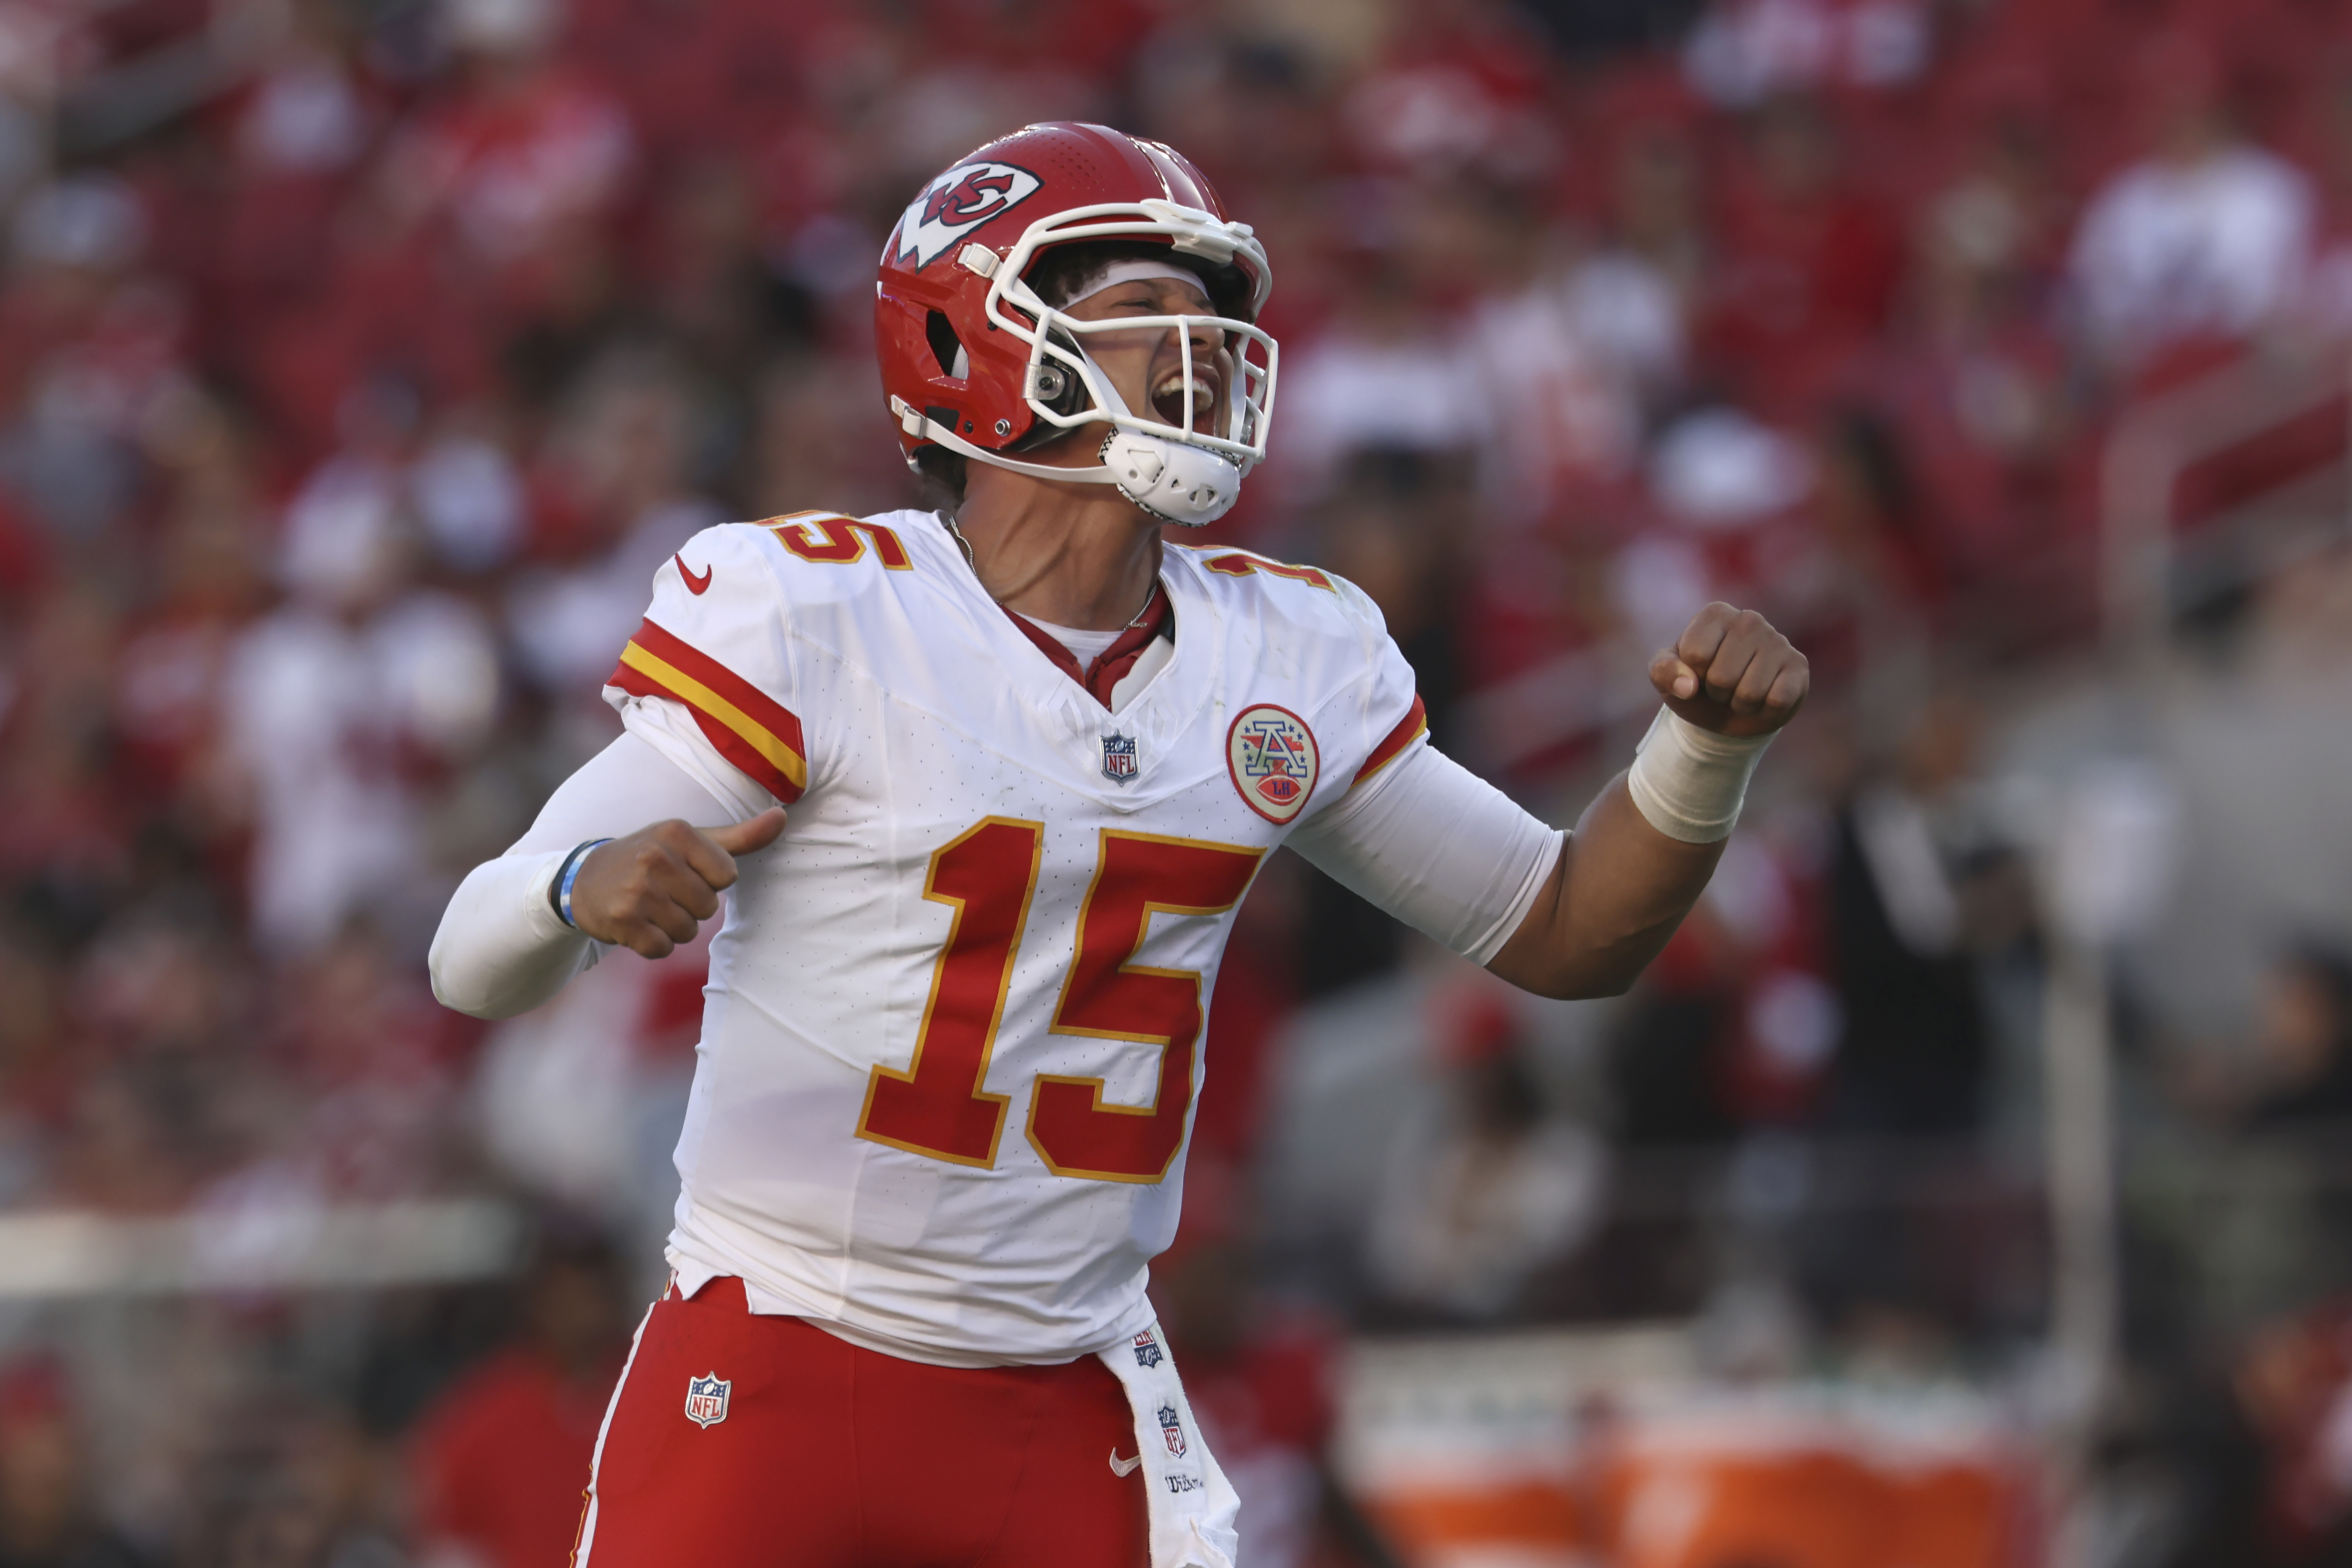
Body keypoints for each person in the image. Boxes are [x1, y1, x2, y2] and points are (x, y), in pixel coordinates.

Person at [428, 121, 1808, 1568]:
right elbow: (471, 953)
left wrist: (1702, 751)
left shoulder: (1283, 651)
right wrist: (580, 892)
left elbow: (1571, 930)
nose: (1194, 344)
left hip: (1062, 1398)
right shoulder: (818, 615)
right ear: (972, 346)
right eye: (1138, 306)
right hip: (782, 1355)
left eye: (1203, 308)